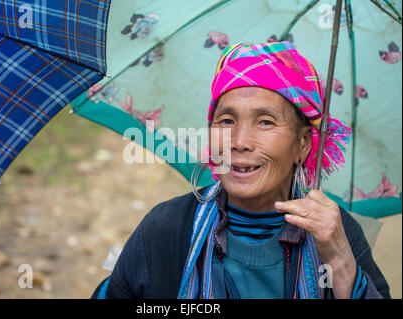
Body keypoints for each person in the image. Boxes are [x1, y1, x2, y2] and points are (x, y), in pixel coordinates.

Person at [92, 41, 390, 299]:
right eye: (226, 121)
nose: (239, 142)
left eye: (265, 122)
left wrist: (340, 262)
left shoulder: (338, 233)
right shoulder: (166, 229)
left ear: (302, 144)